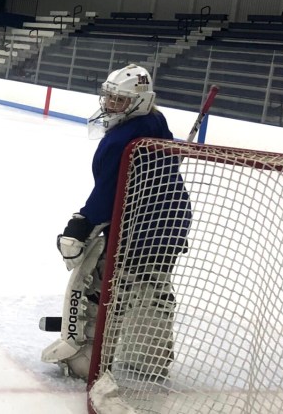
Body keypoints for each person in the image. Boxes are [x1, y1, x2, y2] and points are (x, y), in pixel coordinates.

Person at [41, 64, 192, 380]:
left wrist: (80, 225)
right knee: (152, 286)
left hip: (142, 223)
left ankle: (89, 355)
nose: (110, 105)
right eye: (109, 97)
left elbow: (109, 191)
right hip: (172, 219)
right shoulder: (155, 120)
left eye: (119, 100)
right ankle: (149, 357)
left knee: (103, 283)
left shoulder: (120, 139)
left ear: (138, 101)